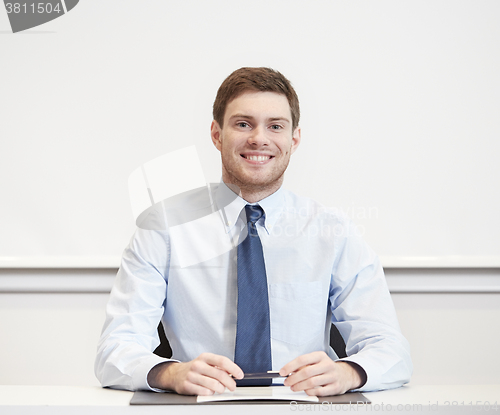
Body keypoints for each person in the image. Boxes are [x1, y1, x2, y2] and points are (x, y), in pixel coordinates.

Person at [95, 67, 412, 396]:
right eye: (243, 124)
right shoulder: (163, 227)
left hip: (303, 406)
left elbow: (391, 351)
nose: (259, 138)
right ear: (217, 134)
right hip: (202, 407)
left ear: (294, 139)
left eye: (275, 126)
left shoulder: (332, 231)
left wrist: (348, 373)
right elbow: (115, 351)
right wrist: (171, 374)